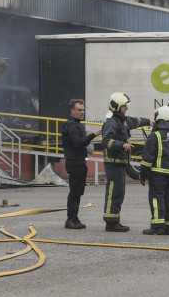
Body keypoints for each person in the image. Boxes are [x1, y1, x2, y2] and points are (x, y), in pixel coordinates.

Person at [101, 92, 151, 231]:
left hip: (120, 163)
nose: (126, 108)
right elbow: (106, 141)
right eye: (124, 106)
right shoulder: (111, 123)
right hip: (113, 164)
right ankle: (111, 223)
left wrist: (149, 121)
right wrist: (122, 145)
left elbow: (135, 121)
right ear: (116, 107)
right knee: (113, 192)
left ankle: (115, 219)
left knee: (119, 192)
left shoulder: (122, 120)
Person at [61, 98, 99, 229]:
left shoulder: (78, 125)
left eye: (83, 110)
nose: (82, 112)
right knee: (74, 191)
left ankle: (75, 217)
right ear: (72, 111)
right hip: (74, 162)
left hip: (80, 161)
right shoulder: (71, 125)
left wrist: (88, 145)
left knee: (78, 191)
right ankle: (70, 219)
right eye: (79, 110)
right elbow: (77, 142)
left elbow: (81, 142)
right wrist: (93, 135)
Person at [139, 105, 169, 235]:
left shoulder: (155, 135)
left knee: (156, 198)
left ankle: (157, 225)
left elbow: (148, 157)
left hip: (157, 173)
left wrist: (143, 173)